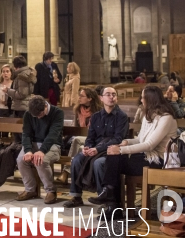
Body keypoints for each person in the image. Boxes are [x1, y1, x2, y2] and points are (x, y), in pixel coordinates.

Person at [89, 86, 177, 217]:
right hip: (145, 156)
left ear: (150, 99)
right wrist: (127, 142)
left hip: (159, 159)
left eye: (143, 97)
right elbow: (140, 140)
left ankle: (112, 201)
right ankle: (111, 197)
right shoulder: (148, 117)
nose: (141, 100)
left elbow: (149, 145)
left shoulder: (166, 118)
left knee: (116, 157)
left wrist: (121, 150)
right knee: (113, 156)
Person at [63, 87, 129, 208]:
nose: (111, 97)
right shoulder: (96, 116)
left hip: (112, 151)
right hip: (96, 148)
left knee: (99, 163)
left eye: (114, 94)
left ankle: (103, 198)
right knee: (77, 159)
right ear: (101, 98)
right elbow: (90, 136)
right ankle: (76, 196)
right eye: (108, 94)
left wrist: (97, 149)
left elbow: (118, 139)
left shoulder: (122, 116)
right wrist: (87, 147)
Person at [15, 95, 64, 204]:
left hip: (52, 145)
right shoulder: (28, 114)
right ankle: (30, 190)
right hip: (33, 144)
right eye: (35, 116)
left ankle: (50, 191)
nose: (38, 118)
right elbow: (26, 134)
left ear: (45, 106)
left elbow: (53, 134)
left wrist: (42, 151)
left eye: (40, 115)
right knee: (21, 160)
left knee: (40, 160)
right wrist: (27, 150)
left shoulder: (57, 113)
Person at [56, 88, 103, 184]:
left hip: (93, 138)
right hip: (80, 136)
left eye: (82, 96)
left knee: (77, 140)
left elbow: (99, 131)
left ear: (90, 98)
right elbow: (75, 127)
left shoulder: (99, 111)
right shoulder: (78, 109)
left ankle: (66, 172)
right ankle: (77, 179)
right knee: (75, 142)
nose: (79, 98)